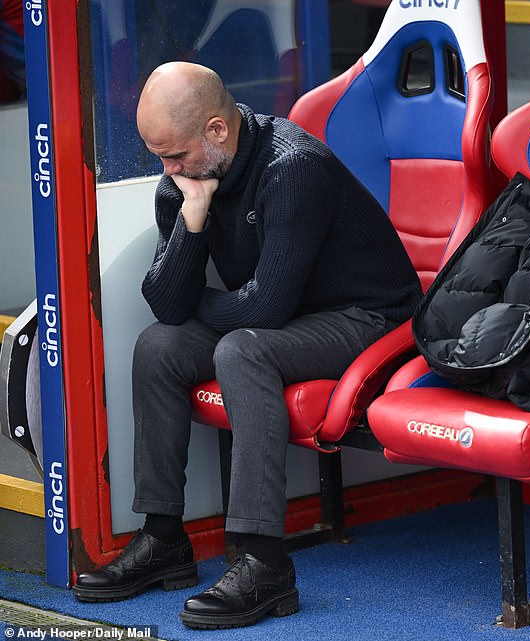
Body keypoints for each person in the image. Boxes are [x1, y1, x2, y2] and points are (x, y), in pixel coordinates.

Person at [71, 62, 422, 629]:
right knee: (159, 345)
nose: (168, 170)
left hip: (366, 317)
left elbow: (261, 312)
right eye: (159, 156)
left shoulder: (293, 167)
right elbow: (166, 305)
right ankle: (163, 538)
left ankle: (264, 560)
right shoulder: (188, 179)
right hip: (284, 316)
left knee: (243, 349)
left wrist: (199, 302)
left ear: (217, 129)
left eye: (176, 155)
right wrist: (192, 219)